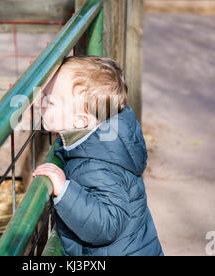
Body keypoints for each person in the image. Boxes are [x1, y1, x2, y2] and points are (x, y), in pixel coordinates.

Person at [32, 56, 163, 256]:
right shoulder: (99, 143)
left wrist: (65, 191)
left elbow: (107, 226)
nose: (40, 103)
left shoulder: (95, 166)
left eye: (49, 100)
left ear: (80, 121)